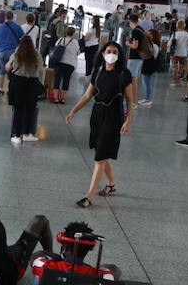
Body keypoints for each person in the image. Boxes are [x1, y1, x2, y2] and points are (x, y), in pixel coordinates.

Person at [66, 41, 136, 207]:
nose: (111, 54)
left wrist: (128, 119)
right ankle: (111, 184)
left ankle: (88, 196)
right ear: (103, 54)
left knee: (100, 157)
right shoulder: (97, 72)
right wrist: (73, 111)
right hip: (97, 114)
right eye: (108, 51)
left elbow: (130, 99)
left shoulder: (124, 73)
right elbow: (87, 95)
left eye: (115, 52)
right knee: (101, 152)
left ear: (119, 55)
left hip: (114, 116)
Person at [27, 221, 119, 285]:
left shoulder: (46, 266)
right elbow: (115, 271)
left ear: (66, 247)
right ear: (88, 249)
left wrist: (51, 254)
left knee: (38, 277)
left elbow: (35, 257)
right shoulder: (99, 274)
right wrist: (101, 268)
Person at [6, 35, 44, 144]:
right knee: (30, 109)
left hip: (17, 83)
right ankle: (27, 134)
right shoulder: (37, 55)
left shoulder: (16, 54)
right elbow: (41, 68)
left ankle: (16, 135)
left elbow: (8, 67)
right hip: (32, 84)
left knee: (18, 109)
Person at [0, 11, 24, 96]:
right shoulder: (17, 27)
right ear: (13, 17)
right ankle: (10, 90)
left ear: (5, 17)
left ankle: (0, 88)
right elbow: (23, 38)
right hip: (13, 53)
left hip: (2, 51)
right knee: (13, 71)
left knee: (1, 71)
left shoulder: (0, 27)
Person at [48, 26, 79, 104]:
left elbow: (55, 48)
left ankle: (56, 98)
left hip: (59, 63)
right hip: (70, 64)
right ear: (73, 33)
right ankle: (63, 98)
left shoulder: (61, 39)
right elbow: (78, 53)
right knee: (66, 80)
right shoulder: (75, 42)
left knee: (57, 80)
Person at [82, 16, 103, 82]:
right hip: (95, 46)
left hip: (89, 46)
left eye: (92, 19)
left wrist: (83, 37)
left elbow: (86, 38)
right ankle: (90, 75)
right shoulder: (98, 29)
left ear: (94, 21)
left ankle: (87, 75)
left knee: (88, 61)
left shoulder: (91, 29)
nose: (91, 20)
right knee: (91, 61)